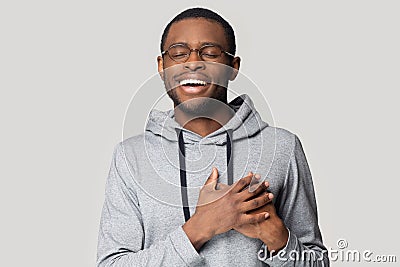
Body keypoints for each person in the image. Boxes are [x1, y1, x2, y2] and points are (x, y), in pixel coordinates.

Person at [97, 7, 329, 266]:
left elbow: (317, 262)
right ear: (162, 66)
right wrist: (200, 228)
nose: (193, 62)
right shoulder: (131, 156)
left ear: (233, 66)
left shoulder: (282, 147)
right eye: (178, 53)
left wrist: (277, 238)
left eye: (210, 53)